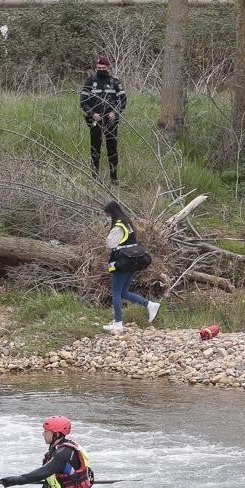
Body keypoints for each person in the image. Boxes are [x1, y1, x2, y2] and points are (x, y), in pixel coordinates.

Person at [0, 415, 94, 488]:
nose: (43, 434)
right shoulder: (62, 448)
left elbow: (42, 473)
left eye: (46, 431)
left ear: (57, 434)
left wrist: (13, 480)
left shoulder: (63, 453)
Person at [103, 201, 161, 332]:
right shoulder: (127, 223)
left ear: (111, 212)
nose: (106, 217)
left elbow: (110, 243)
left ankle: (118, 323)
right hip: (134, 260)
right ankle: (151, 305)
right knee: (124, 292)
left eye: (107, 214)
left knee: (116, 292)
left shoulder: (118, 226)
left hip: (123, 261)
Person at [80, 55, 126, 184]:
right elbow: (83, 102)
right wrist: (92, 113)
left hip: (111, 121)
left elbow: (123, 100)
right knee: (95, 149)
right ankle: (94, 177)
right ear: (96, 67)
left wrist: (115, 113)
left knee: (112, 149)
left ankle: (114, 178)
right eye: (98, 67)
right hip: (95, 120)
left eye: (103, 67)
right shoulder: (90, 81)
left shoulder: (115, 82)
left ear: (108, 67)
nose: (101, 69)